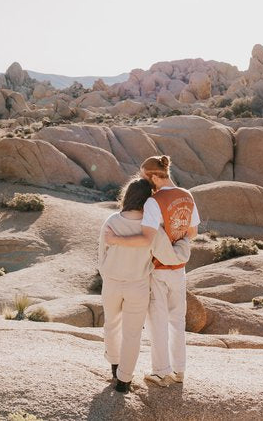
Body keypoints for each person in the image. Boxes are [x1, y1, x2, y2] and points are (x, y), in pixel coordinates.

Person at [104, 155, 200, 387]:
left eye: (146, 178)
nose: (145, 182)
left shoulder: (153, 202)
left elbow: (147, 238)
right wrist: (178, 249)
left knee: (157, 320)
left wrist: (116, 239)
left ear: (156, 176)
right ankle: (179, 370)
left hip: (158, 269)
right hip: (179, 268)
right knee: (177, 320)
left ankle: (161, 372)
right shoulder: (187, 195)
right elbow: (193, 232)